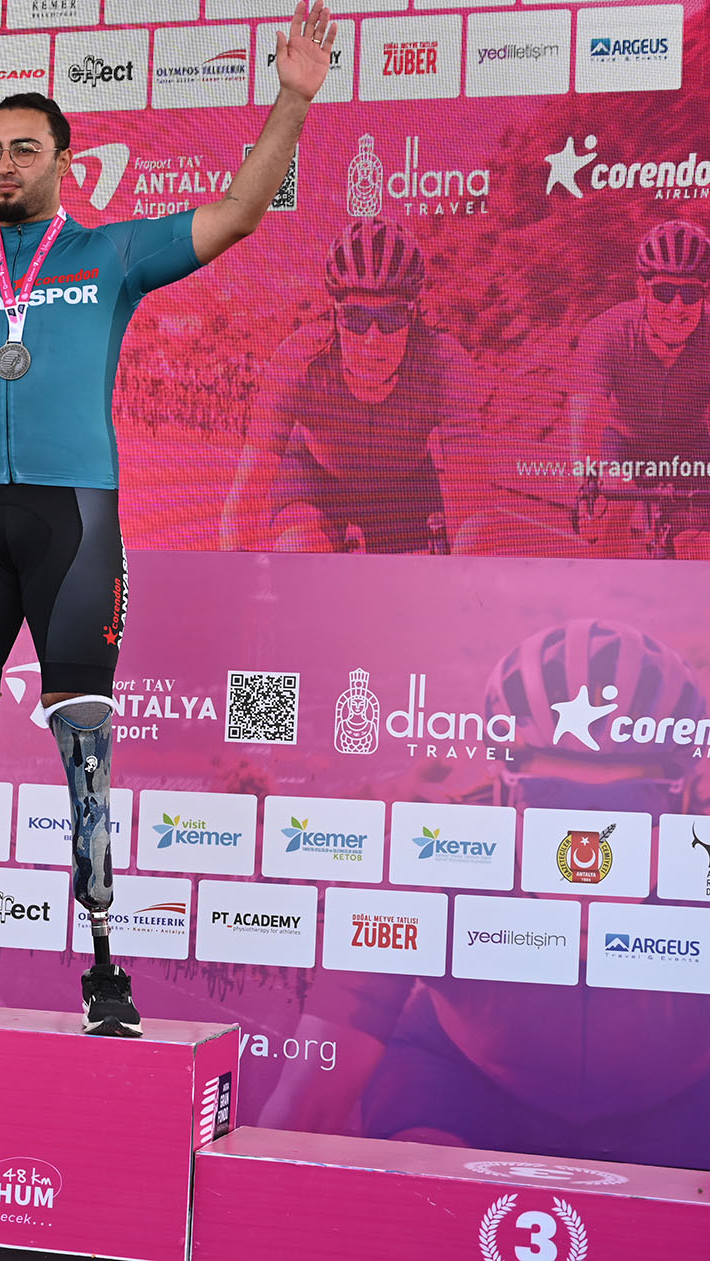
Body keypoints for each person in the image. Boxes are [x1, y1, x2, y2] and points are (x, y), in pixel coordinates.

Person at [0, 1, 336, 1035]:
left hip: (74, 521)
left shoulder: (112, 255)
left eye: (23, 150)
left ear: (64, 161)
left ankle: (105, 971)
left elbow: (238, 215)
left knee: (85, 746)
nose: (3, 165)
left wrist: (293, 100)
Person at [260, 619, 710, 1168]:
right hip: (464, 1086)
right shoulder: (430, 858)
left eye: (631, 804)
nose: (588, 841)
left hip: (681, 1102)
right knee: (423, 1178)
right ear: (501, 790)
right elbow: (306, 1110)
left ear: (685, 801)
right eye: (551, 798)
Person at [219, 215, 484, 554]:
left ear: (413, 314)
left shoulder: (444, 363)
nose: (372, 339)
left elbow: (472, 507)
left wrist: (470, 564)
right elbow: (242, 505)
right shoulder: (299, 359)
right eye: (355, 317)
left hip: (403, 484)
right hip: (316, 479)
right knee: (299, 549)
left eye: (391, 317)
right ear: (335, 314)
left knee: (475, 542)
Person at [569, 219, 710, 559]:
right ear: (642, 289)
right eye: (664, 291)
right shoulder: (606, 332)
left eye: (691, 293)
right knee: (610, 508)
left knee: (697, 545)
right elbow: (587, 416)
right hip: (624, 440)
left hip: (689, 445)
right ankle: (608, 583)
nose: (677, 306)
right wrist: (588, 483)